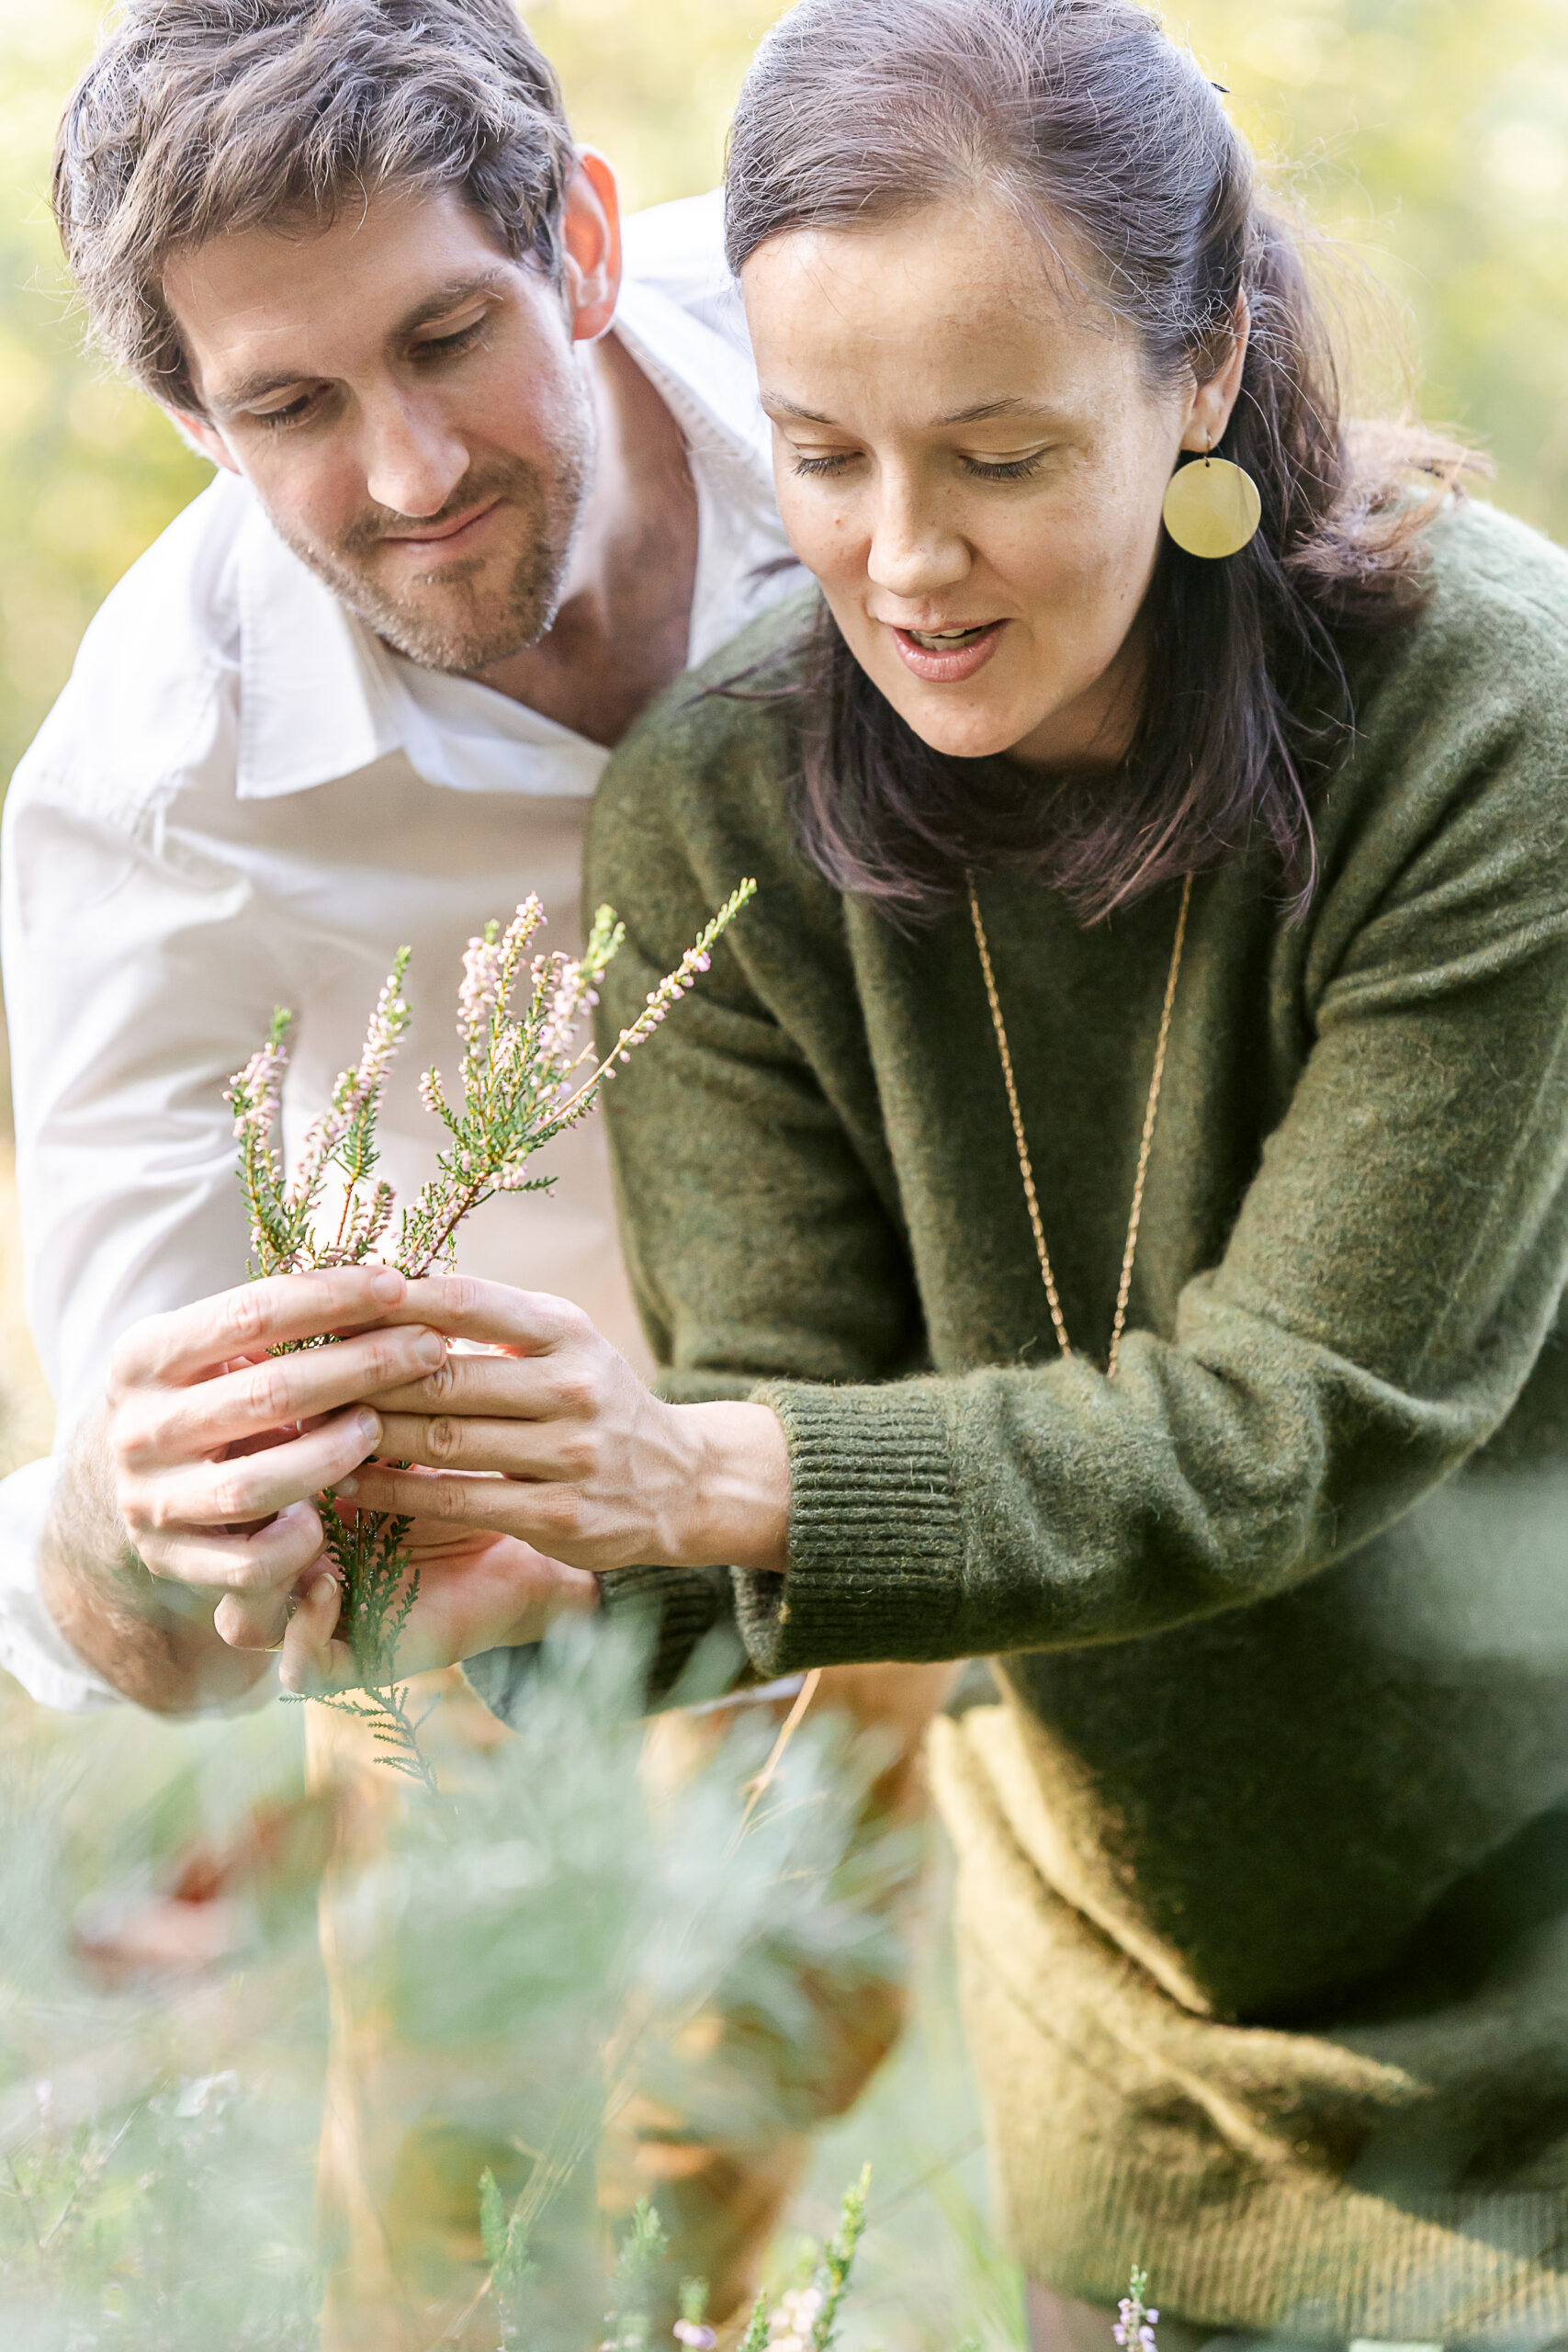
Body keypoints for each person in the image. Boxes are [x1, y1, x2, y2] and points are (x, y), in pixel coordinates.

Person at [302, 0, 1568, 2345]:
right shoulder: (719, 806)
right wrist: (479, 1580)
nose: (902, 561)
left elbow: (1298, 1417)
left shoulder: (1486, 717)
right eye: (821, 453)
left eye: (996, 453)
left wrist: (691, 1474)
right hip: (1130, 1983)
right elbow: (794, 1458)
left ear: (1197, 376)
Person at [6, 3, 941, 2343]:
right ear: (193, 425)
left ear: (586, 247)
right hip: (500, 1557)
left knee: (776, 2098)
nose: (410, 468)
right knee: (461, 2222)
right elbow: (135, 1426)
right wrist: (190, 1511)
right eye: (290, 407)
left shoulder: (875, 352)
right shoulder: (161, 786)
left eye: (449, 336)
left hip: (898, 1431)